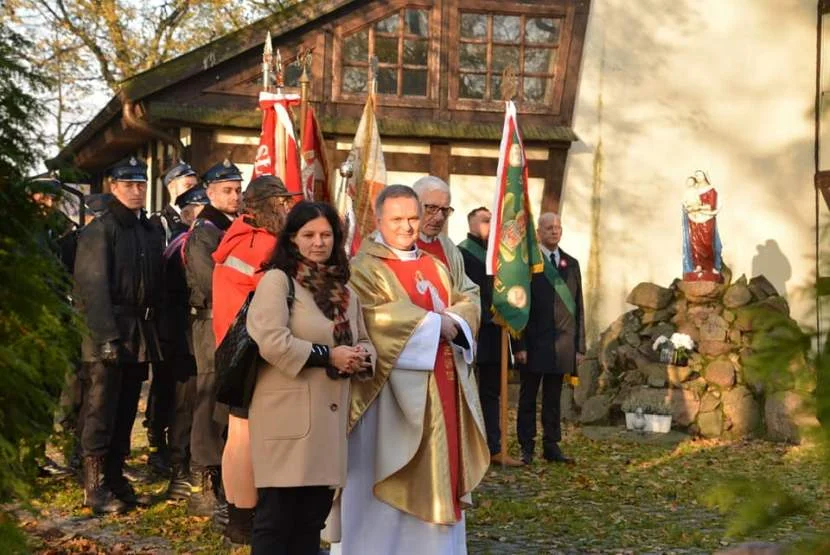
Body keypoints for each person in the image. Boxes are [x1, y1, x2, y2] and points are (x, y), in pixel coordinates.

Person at [335, 185, 489, 555]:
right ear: (379, 219)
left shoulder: (436, 263)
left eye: (413, 218)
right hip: (388, 401)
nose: (407, 227)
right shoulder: (363, 267)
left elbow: (467, 298)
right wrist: (437, 325)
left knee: (442, 475)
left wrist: (455, 321)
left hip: (444, 389)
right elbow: (371, 319)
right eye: (397, 219)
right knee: (384, 484)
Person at [246, 201, 375, 554]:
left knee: (310, 526)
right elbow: (270, 340)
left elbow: (362, 339)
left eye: (327, 235)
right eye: (309, 235)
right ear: (292, 239)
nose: (319, 242)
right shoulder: (278, 282)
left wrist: (362, 357)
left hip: (328, 428)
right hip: (285, 422)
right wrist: (327, 356)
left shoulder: (345, 292)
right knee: (275, 524)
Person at [211, 175, 300, 544]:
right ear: (264, 206)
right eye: (281, 203)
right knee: (244, 434)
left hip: (240, 346)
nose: (287, 209)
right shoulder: (257, 244)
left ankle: (242, 514)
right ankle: (242, 519)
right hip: (247, 350)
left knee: (242, 433)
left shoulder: (242, 236)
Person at [73, 157, 164, 514]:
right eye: (129, 184)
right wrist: (105, 337)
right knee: (100, 410)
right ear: (113, 187)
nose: (137, 190)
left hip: (139, 332)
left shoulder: (148, 230)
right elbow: (91, 288)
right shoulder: (101, 229)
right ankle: (94, 487)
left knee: (126, 409)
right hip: (108, 330)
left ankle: (114, 476)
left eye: (141, 184)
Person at [184, 159, 241, 520]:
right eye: (227, 190)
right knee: (208, 402)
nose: (235, 196)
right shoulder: (205, 231)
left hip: (235, 324)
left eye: (238, 190)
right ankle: (203, 484)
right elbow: (212, 283)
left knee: (227, 404)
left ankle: (225, 481)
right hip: (211, 323)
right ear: (209, 192)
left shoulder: (233, 227)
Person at [512, 212, 585, 465]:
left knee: (554, 398)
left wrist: (580, 346)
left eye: (558, 227)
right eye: (549, 227)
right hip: (534, 343)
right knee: (528, 397)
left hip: (563, 343)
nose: (555, 231)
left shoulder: (571, 263)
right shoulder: (528, 263)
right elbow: (518, 306)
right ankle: (527, 445)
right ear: (538, 232)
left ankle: (551, 445)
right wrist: (519, 344)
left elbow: (579, 307)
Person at [145, 161, 200, 476]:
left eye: (194, 183)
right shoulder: (159, 223)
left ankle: (177, 446)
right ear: (171, 186)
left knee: (183, 387)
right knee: (164, 383)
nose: (191, 188)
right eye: (186, 183)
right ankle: (156, 443)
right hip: (166, 314)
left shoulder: (197, 222)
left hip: (187, 319)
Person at [458, 207, 523, 467]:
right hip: (472, 331)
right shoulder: (461, 253)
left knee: (491, 393)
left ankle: (493, 446)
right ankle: (468, 449)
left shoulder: (499, 256)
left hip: (495, 334)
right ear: (471, 222)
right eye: (485, 220)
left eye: (492, 221)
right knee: (468, 392)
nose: (489, 225)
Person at [160, 185, 209, 501]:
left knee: (202, 401)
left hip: (198, 334)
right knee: (184, 404)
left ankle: (196, 467)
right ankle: (179, 468)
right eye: (199, 207)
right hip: (182, 334)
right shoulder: (181, 244)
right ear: (187, 211)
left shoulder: (205, 239)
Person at [411, 176, 479, 298]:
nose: (439, 218)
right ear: (414, 205)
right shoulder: (396, 242)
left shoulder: (448, 247)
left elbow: (466, 290)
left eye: (445, 210)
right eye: (431, 208)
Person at [682, 170, 723, 282]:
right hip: (693, 218)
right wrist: (689, 207)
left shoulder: (711, 190)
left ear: (705, 176)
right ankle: (698, 265)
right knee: (695, 242)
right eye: (696, 175)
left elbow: (711, 206)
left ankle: (711, 267)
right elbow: (687, 202)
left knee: (707, 242)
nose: (698, 177)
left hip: (706, 218)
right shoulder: (694, 191)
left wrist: (698, 208)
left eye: (700, 174)